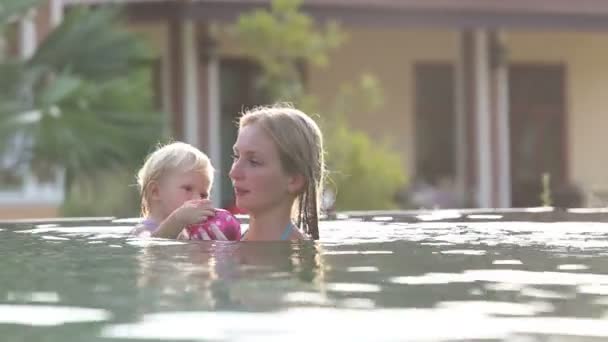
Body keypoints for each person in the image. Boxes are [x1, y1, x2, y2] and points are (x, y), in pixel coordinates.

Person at [230, 104, 325, 241]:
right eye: (236, 157)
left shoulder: (298, 257)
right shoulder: (221, 241)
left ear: (294, 180)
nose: (234, 172)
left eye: (254, 161)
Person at [130, 141, 241, 241]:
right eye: (188, 189)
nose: (198, 199)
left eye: (203, 195)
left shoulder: (190, 232)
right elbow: (149, 248)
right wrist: (177, 219)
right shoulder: (142, 230)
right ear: (155, 191)